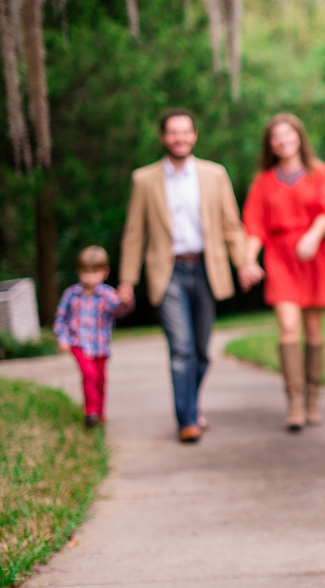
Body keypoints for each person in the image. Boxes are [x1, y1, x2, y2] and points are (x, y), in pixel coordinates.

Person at [118, 108, 263, 443]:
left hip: (205, 269)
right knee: (181, 348)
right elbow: (134, 233)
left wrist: (243, 262)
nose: (179, 138)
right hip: (167, 271)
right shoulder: (145, 179)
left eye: (185, 132)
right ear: (163, 137)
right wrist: (127, 280)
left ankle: (192, 405)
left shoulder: (214, 175)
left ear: (194, 136)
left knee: (201, 351)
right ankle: (186, 420)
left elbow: (231, 224)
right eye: (173, 133)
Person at [242, 113, 325, 432]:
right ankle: (294, 400)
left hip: (313, 254)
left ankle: (313, 396)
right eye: (275, 136)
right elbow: (254, 226)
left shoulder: (319, 172)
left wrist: (313, 236)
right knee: (288, 326)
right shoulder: (263, 181)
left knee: (313, 331)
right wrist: (248, 260)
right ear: (269, 144)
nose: (282, 140)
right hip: (280, 256)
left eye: (288, 134)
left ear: (299, 137)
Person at [54, 246, 134, 427]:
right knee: (89, 375)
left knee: (100, 380)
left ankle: (100, 414)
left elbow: (120, 311)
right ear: (79, 272)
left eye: (95, 272)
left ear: (104, 272)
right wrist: (62, 339)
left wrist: (126, 300)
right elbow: (60, 319)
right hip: (78, 343)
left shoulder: (108, 294)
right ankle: (90, 412)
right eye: (85, 272)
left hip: (100, 346)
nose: (90, 277)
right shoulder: (71, 294)